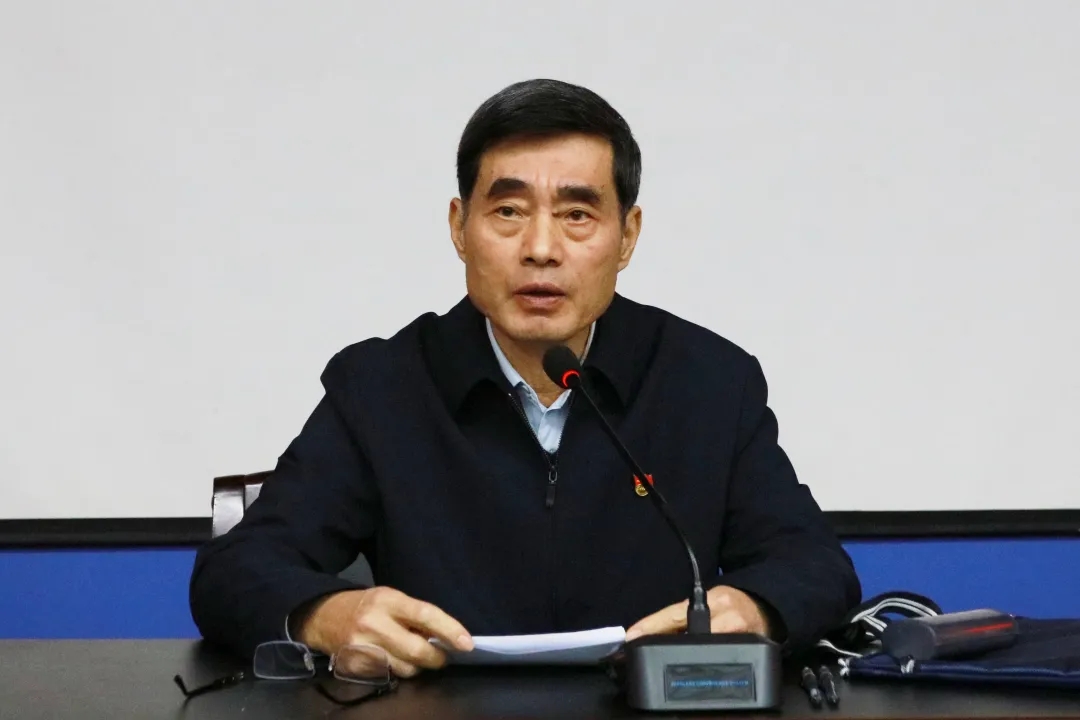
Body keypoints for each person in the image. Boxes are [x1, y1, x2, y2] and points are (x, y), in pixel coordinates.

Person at [189, 78, 861, 677]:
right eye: (508, 211)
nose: (541, 249)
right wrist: (327, 616)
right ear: (460, 228)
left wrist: (755, 608)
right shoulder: (382, 387)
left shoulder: (709, 383)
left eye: (577, 215)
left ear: (627, 236)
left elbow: (814, 565)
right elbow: (234, 570)